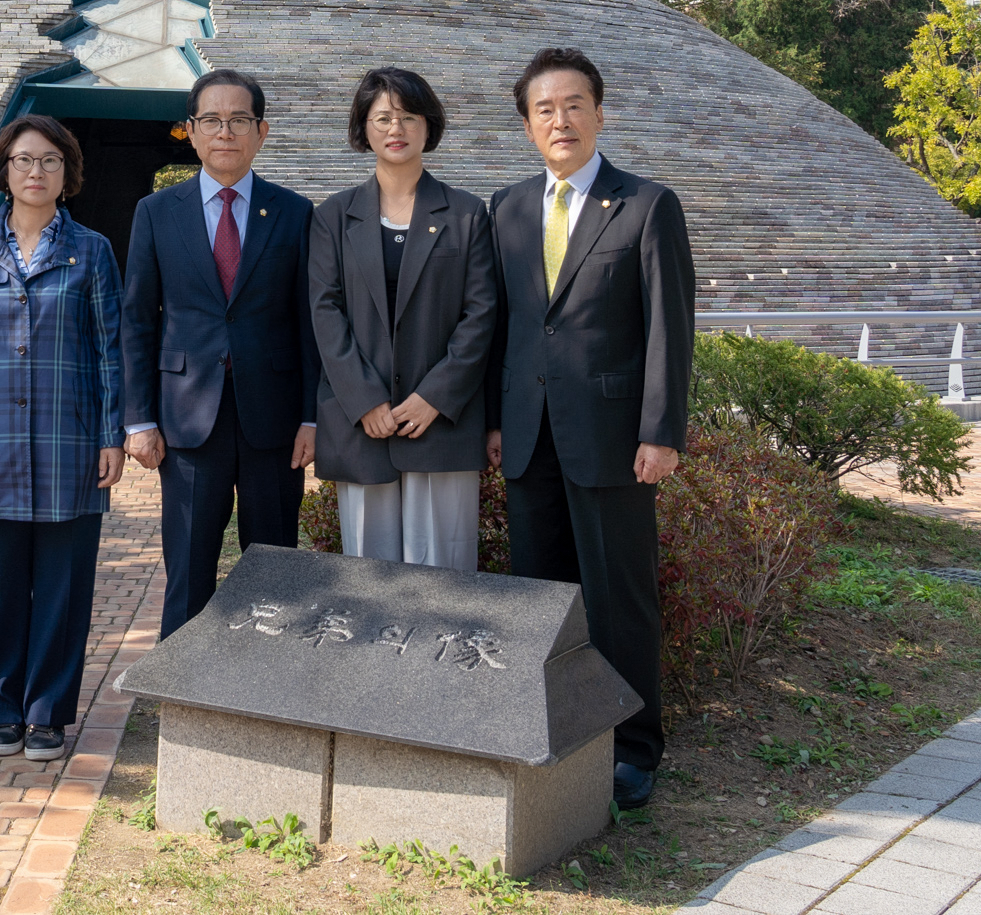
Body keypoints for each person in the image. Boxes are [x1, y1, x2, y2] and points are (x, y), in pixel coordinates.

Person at [487, 47, 695, 812]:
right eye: (545, 107)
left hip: (613, 438)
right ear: (526, 123)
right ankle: (553, 736)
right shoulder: (505, 207)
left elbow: (672, 327)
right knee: (538, 596)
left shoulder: (644, 204)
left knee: (619, 598)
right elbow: (503, 325)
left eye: (574, 104)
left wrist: (662, 430)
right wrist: (492, 421)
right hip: (527, 435)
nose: (561, 119)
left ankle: (635, 749)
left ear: (600, 113)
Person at [0, 114, 125, 762]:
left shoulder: (92, 250)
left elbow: (109, 351)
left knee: (64, 585)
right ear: (3, 170)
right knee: (4, 584)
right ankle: (4, 708)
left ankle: (47, 713)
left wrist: (111, 433)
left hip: (70, 440)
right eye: (23, 160)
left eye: (49, 161)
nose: (35, 171)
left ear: (67, 174)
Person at [120, 69, 319, 636]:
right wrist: (138, 419)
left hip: (274, 419)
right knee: (188, 568)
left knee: (276, 571)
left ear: (262, 131)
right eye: (211, 120)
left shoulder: (294, 212)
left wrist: (311, 415)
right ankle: (181, 701)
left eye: (239, 120)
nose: (225, 131)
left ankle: (266, 695)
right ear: (191, 130)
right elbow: (137, 320)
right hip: (186, 420)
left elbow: (307, 322)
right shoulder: (157, 213)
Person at [307, 67, 502, 571]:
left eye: (409, 117)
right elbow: (325, 311)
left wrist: (434, 397)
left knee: (446, 575)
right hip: (363, 424)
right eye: (384, 117)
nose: (397, 129)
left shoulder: (465, 214)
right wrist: (364, 398)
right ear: (363, 128)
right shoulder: (333, 216)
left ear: (428, 126)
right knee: (370, 580)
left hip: (441, 424)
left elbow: (480, 314)